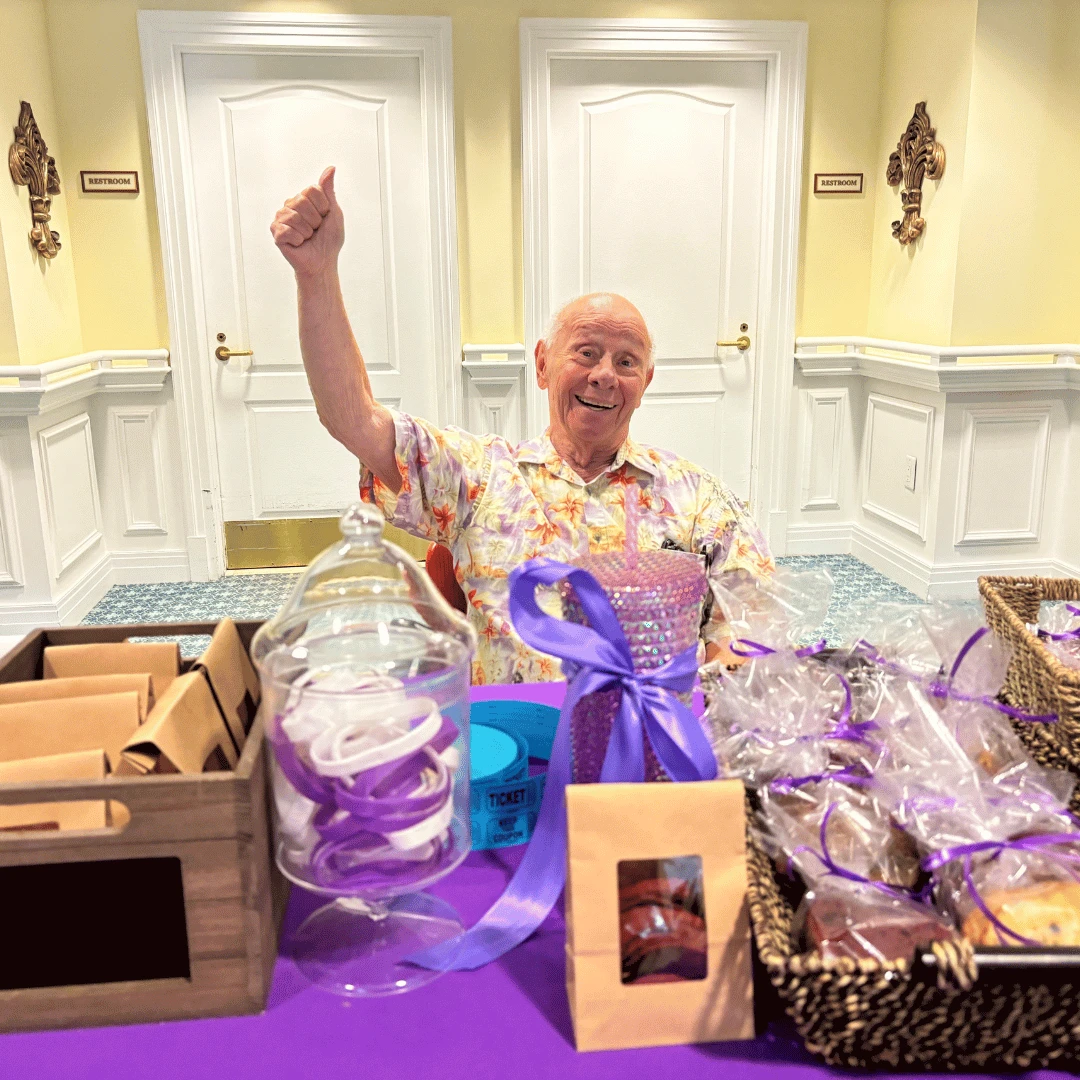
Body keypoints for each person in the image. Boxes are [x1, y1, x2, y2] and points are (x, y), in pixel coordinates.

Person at [271, 166, 772, 683]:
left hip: (650, 729)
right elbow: (354, 420)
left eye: (626, 362)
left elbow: (752, 627)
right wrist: (317, 274)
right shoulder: (480, 477)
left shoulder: (696, 498)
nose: (604, 375)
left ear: (644, 383)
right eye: (586, 352)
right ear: (542, 364)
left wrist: (712, 686)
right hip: (513, 727)